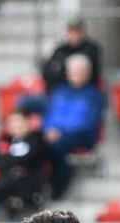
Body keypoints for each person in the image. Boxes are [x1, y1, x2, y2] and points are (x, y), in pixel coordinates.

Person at [42, 54, 104, 197]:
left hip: (80, 136)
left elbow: (89, 124)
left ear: (88, 73)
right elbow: (49, 114)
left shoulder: (93, 96)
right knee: (35, 142)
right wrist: (47, 130)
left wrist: (61, 133)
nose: (75, 75)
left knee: (56, 145)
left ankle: (57, 187)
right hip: (54, 133)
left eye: (79, 71)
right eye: (73, 71)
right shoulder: (59, 91)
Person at [42, 17, 103, 88]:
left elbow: (88, 73)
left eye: (77, 31)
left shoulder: (91, 49)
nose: (74, 34)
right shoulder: (60, 50)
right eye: (71, 31)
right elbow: (48, 71)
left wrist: (62, 68)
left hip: (85, 89)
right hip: (63, 88)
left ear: (83, 32)